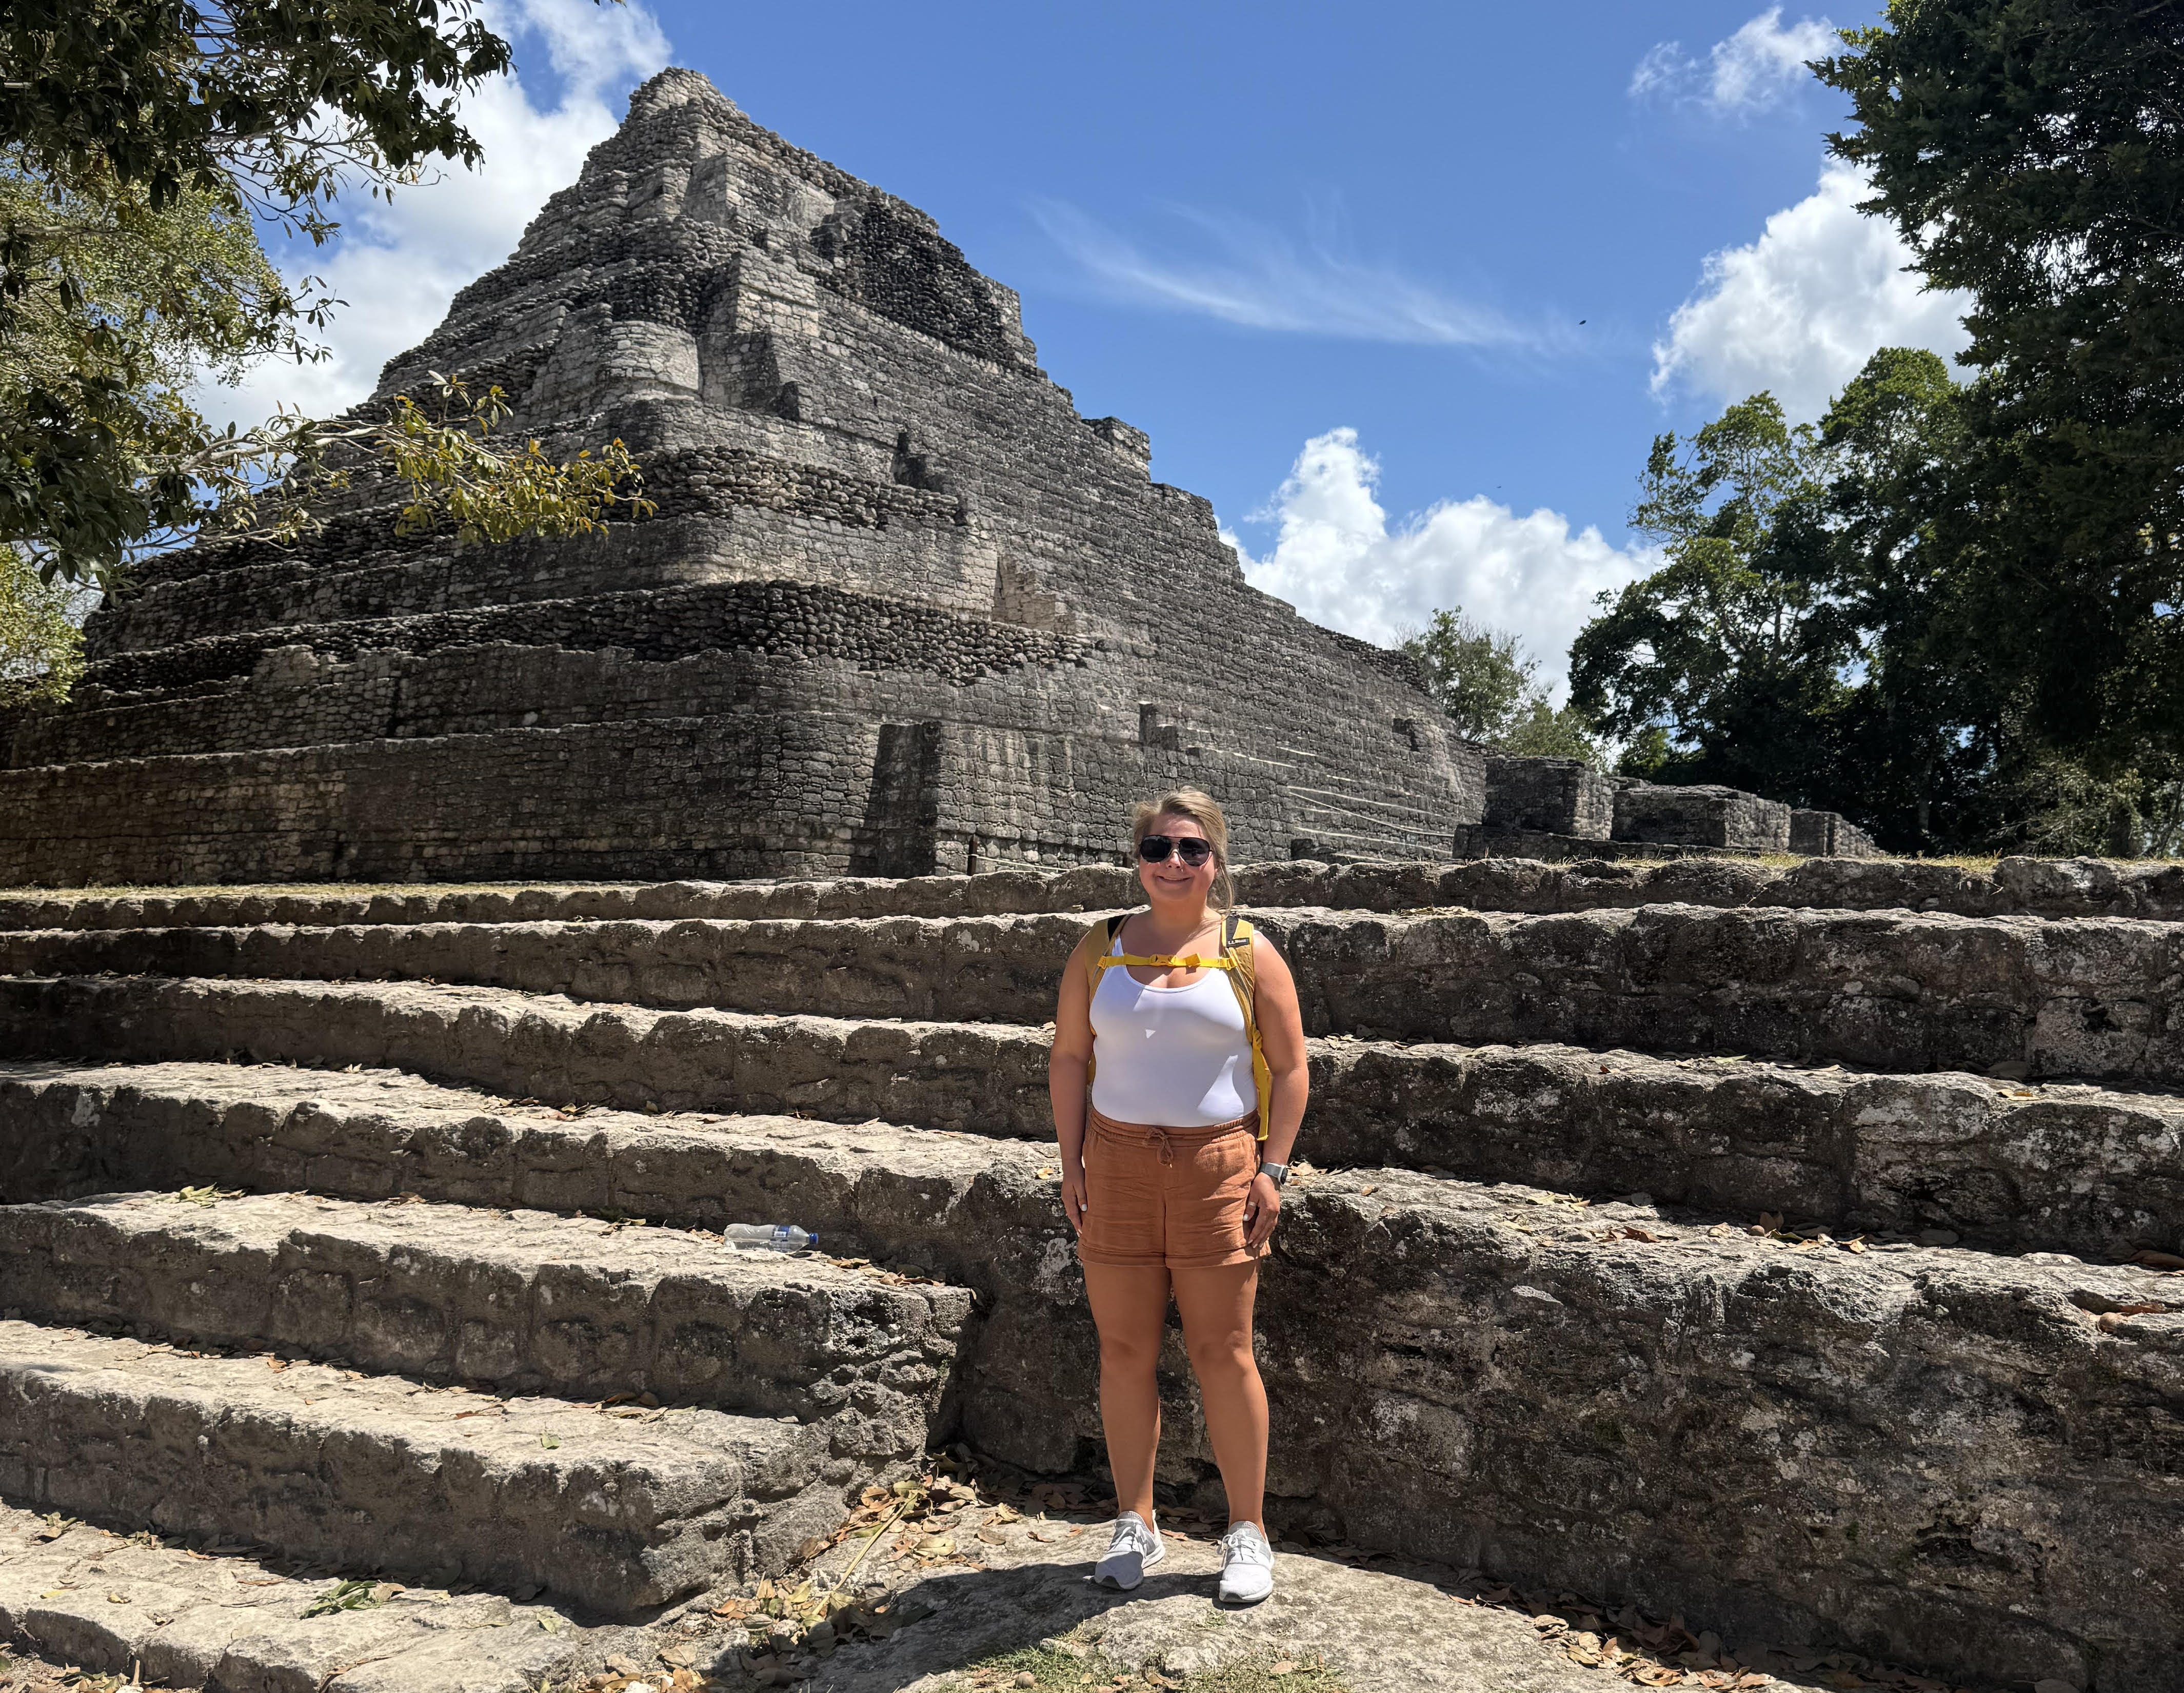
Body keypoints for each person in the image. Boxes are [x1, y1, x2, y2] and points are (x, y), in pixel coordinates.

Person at [1048, 788, 1309, 1605]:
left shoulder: (1247, 949)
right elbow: (1067, 1058)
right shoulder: (1098, 947)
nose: (1173, 864)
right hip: (1116, 1163)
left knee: (1222, 1352)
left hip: (1217, 1168)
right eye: (1157, 849)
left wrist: (1273, 1170)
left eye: (1190, 849)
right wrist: (1072, 1162)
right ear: (1137, 859)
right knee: (1122, 1351)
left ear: (1216, 862)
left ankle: (1246, 1530)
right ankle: (1136, 1519)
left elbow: (1293, 1067)